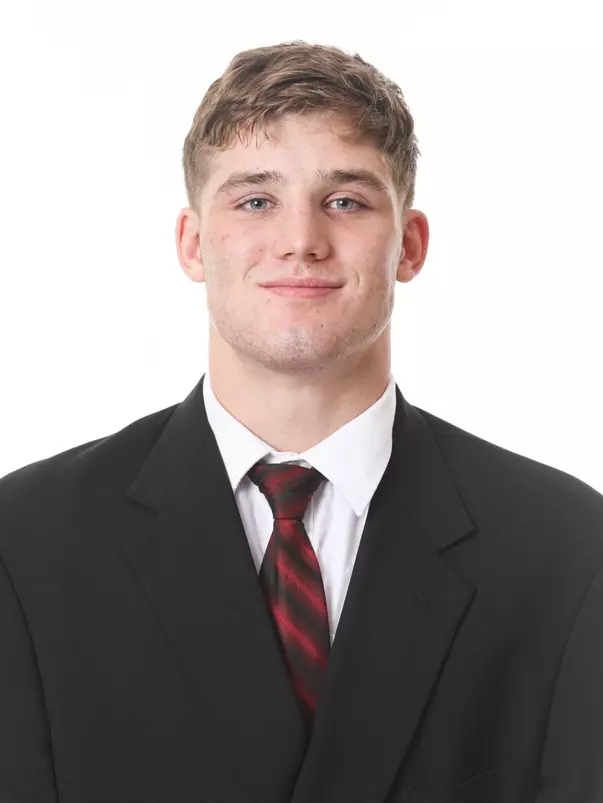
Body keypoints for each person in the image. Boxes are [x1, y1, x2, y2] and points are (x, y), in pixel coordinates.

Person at [0, 39, 601, 803]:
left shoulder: (566, 549)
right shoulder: (24, 542)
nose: (300, 241)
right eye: (255, 199)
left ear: (409, 245)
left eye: (345, 200)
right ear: (191, 243)